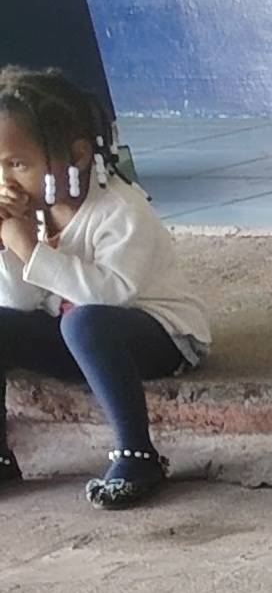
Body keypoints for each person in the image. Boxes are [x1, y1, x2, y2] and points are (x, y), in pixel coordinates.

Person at [0, 67, 208, 508]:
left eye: (18, 164)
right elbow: (20, 302)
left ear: (77, 156)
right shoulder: (31, 214)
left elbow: (111, 296)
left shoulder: (120, 209)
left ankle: (138, 455)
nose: (7, 181)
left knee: (85, 323)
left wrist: (30, 250)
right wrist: (7, 248)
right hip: (79, 339)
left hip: (157, 336)